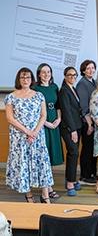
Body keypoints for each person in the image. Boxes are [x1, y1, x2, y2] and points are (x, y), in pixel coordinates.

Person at [5, 67, 53, 203]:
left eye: (28, 77)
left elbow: (43, 115)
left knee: (42, 163)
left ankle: (45, 196)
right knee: (23, 164)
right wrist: (27, 132)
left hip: (37, 136)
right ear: (18, 80)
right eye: (22, 77)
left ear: (32, 80)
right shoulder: (11, 97)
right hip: (19, 137)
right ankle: (29, 196)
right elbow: (10, 118)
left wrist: (35, 132)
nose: (25, 80)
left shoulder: (39, 95)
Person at [33, 63, 63, 200]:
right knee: (44, 157)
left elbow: (58, 105)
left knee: (51, 155)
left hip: (54, 124)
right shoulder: (35, 88)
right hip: (42, 125)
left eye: (48, 72)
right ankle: (48, 188)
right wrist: (46, 123)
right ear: (39, 74)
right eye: (43, 72)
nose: (46, 74)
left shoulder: (54, 87)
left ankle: (47, 185)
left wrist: (58, 119)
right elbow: (34, 111)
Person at [59, 66, 83, 196]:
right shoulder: (63, 91)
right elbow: (66, 112)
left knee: (74, 153)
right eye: (69, 75)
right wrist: (72, 130)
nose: (72, 77)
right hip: (68, 128)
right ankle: (70, 183)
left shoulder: (72, 88)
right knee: (73, 152)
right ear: (65, 76)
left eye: (74, 75)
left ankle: (72, 179)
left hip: (77, 126)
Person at [76, 59, 98, 185]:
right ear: (83, 70)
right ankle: (85, 176)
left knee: (92, 148)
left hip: (94, 121)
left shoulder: (93, 82)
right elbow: (84, 106)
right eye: (88, 68)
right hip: (87, 122)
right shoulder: (82, 84)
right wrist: (89, 124)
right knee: (87, 149)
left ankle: (92, 173)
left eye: (92, 68)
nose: (91, 70)